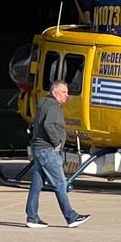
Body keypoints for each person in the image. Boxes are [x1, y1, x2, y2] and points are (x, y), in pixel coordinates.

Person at [25, 81, 90, 229]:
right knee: (60, 183)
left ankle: (32, 217)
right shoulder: (53, 106)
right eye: (63, 92)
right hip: (48, 150)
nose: (67, 95)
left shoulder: (44, 103)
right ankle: (71, 217)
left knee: (37, 184)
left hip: (39, 148)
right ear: (54, 92)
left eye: (67, 92)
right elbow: (48, 125)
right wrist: (57, 143)